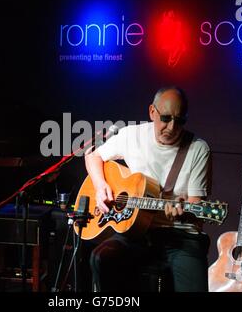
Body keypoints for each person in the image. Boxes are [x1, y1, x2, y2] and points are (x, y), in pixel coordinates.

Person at [85, 86, 212, 292]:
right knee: (101, 258)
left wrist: (182, 214)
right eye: (166, 118)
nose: (171, 127)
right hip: (136, 233)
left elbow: (196, 205)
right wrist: (101, 187)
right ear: (152, 112)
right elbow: (93, 156)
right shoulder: (131, 135)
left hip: (181, 236)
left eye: (179, 120)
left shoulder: (198, 149)